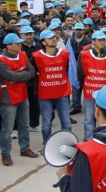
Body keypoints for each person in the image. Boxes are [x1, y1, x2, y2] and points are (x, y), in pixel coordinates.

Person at [0, 33, 38, 166]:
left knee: (24, 124)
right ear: (9, 46)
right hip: (8, 98)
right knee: (7, 129)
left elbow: (32, 71)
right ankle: (5, 153)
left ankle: (25, 148)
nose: (20, 45)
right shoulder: (1, 60)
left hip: (22, 95)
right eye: (17, 43)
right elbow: (12, 77)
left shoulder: (22, 55)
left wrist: (19, 75)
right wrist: (22, 75)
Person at [31, 30, 72, 146]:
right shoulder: (36, 56)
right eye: (50, 38)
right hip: (45, 94)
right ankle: (47, 145)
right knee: (46, 123)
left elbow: (66, 70)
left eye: (54, 37)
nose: (54, 39)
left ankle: (67, 144)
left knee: (66, 122)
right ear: (43, 42)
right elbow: (33, 73)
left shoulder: (64, 54)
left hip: (62, 92)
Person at [77, 31, 106, 141]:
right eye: (99, 40)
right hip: (90, 91)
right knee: (89, 118)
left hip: (105, 93)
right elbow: (80, 73)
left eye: (103, 40)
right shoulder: (84, 54)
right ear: (93, 42)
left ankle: (103, 140)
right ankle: (88, 139)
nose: (102, 42)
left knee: (104, 118)